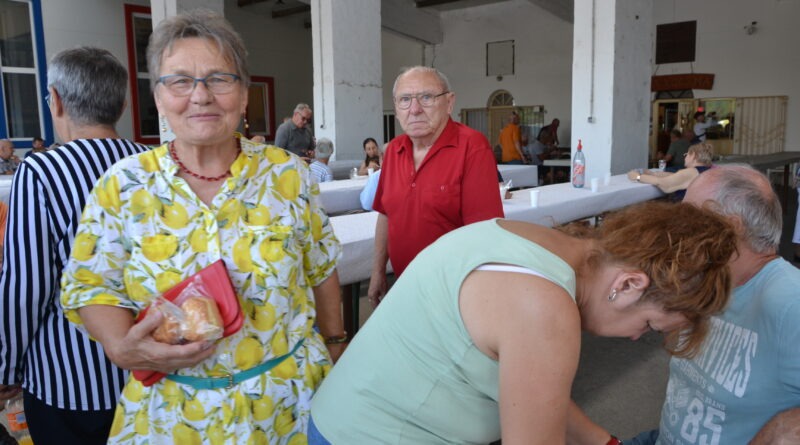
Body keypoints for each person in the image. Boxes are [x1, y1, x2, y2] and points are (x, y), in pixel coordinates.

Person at [58, 11, 344, 444]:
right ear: (158, 97)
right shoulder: (123, 185)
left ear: (244, 94)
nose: (200, 95)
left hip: (288, 404)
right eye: (180, 81)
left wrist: (336, 343)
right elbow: (90, 285)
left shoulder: (288, 175)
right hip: (172, 413)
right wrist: (120, 345)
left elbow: (321, 268)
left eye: (219, 79)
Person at [309, 201, 737, 444]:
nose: (635, 337)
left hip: (340, 421)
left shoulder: (525, 238)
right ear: (628, 284)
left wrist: (602, 441)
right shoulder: (545, 309)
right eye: (649, 325)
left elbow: (531, 392)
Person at [0, 47, 150, 445]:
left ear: (56, 100)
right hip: (149, 371)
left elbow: (26, 286)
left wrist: (7, 367)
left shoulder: (41, 170)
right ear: (121, 104)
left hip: (69, 383)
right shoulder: (153, 163)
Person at [588, 165, 800, 444]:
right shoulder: (701, 280)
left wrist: (785, 427)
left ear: (731, 227)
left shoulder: (789, 300)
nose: (677, 229)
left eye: (689, 218)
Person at [367, 66, 504, 305]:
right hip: (404, 284)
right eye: (405, 99)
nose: (415, 109)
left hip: (453, 291)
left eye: (427, 97)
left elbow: (484, 235)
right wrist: (378, 270)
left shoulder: (472, 147)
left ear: (449, 103)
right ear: (396, 108)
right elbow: (386, 214)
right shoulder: (394, 150)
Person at [627, 142, 713, 200]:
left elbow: (664, 184)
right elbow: (675, 176)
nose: (685, 157)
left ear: (693, 155)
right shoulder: (706, 170)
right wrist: (652, 173)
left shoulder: (691, 172)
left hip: (686, 212)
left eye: (686, 154)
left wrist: (637, 177)